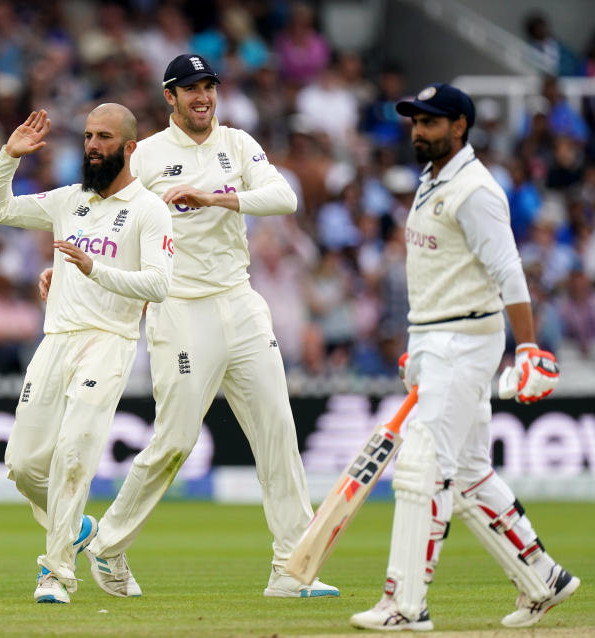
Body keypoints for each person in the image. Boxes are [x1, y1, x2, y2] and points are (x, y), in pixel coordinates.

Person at [43, 53, 338, 599]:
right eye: (190, 88)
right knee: (176, 439)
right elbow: (96, 215)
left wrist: (215, 198)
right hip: (179, 307)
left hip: (240, 300)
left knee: (277, 430)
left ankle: (292, 569)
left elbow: (284, 198)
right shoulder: (149, 155)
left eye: (208, 86)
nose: (202, 96)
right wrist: (60, 268)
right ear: (170, 97)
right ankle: (107, 544)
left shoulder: (239, 145)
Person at [350, 83, 579, 631]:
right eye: (414, 122)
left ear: (460, 127)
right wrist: (418, 351)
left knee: (423, 468)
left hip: (465, 343)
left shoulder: (475, 189)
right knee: (471, 474)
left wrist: (526, 348)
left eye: (430, 122)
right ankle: (543, 578)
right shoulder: (432, 181)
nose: (418, 131)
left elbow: (509, 272)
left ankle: (405, 605)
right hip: (437, 340)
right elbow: (437, 276)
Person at [0, 106, 173, 604]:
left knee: (73, 454)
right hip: (56, 341)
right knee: (22, 465)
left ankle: (56, 573)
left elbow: (159, 283)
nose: (91, 145)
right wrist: (8, 156)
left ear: (130, 148)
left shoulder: (148, 209)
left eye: (104, 137)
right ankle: (81, 528)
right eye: (87, 135)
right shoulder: (70, 200)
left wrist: (93, 268)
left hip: (109, 342)